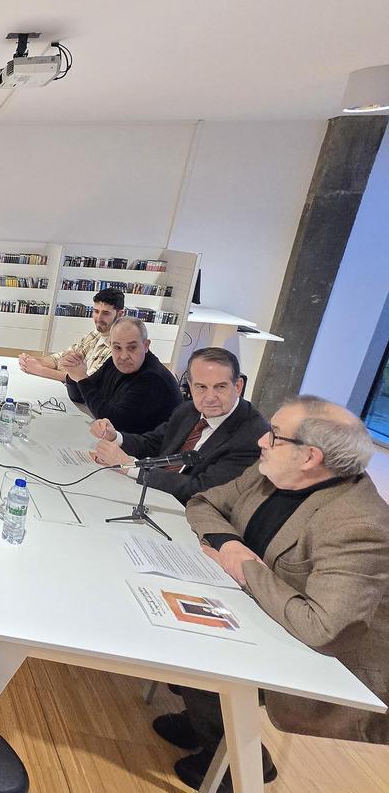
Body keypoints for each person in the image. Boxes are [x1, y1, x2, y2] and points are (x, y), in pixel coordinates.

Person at [154, 396, 389, 789]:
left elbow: (324, 630)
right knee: (176, 629)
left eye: (275, 435)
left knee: (203, 654)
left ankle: (241, 765)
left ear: (310, 456)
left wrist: (243, 566)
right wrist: (230, 545)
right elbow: (203, 501)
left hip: (329, 655)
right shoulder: (274, 471)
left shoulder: (359, 525)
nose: (263, 440)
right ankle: (204, 722)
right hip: (265, 607)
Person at [87, 347, 269, 503]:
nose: (210, 397)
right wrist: (116, 436)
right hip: (152, 495)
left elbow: (202, 490)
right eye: (201, 387)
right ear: (189, 386)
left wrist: (131, 466)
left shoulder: (253, 436)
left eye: (220, 387)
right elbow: (154, 443)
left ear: (238, 386)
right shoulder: (188, 409)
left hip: (188, 514)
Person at [65, 317, 181, 434]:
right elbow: (79, 396)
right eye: (117, 347)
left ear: (146, 346)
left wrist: (81, 378)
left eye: (132, 348)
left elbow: (114, 422)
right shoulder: (113, 362)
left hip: (148, 450)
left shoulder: (153, 379)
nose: (124, 356)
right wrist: (74, 372)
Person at [18, 287, 124, 403]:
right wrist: (34, 360)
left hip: (87, 405)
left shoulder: (118, 348)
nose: (98, 318)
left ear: (120, 314)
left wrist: (39, 369)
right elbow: (63, 358)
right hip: (70, 396)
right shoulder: (96, 334)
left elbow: (84, 380)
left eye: (106, 313)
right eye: (96, 311)